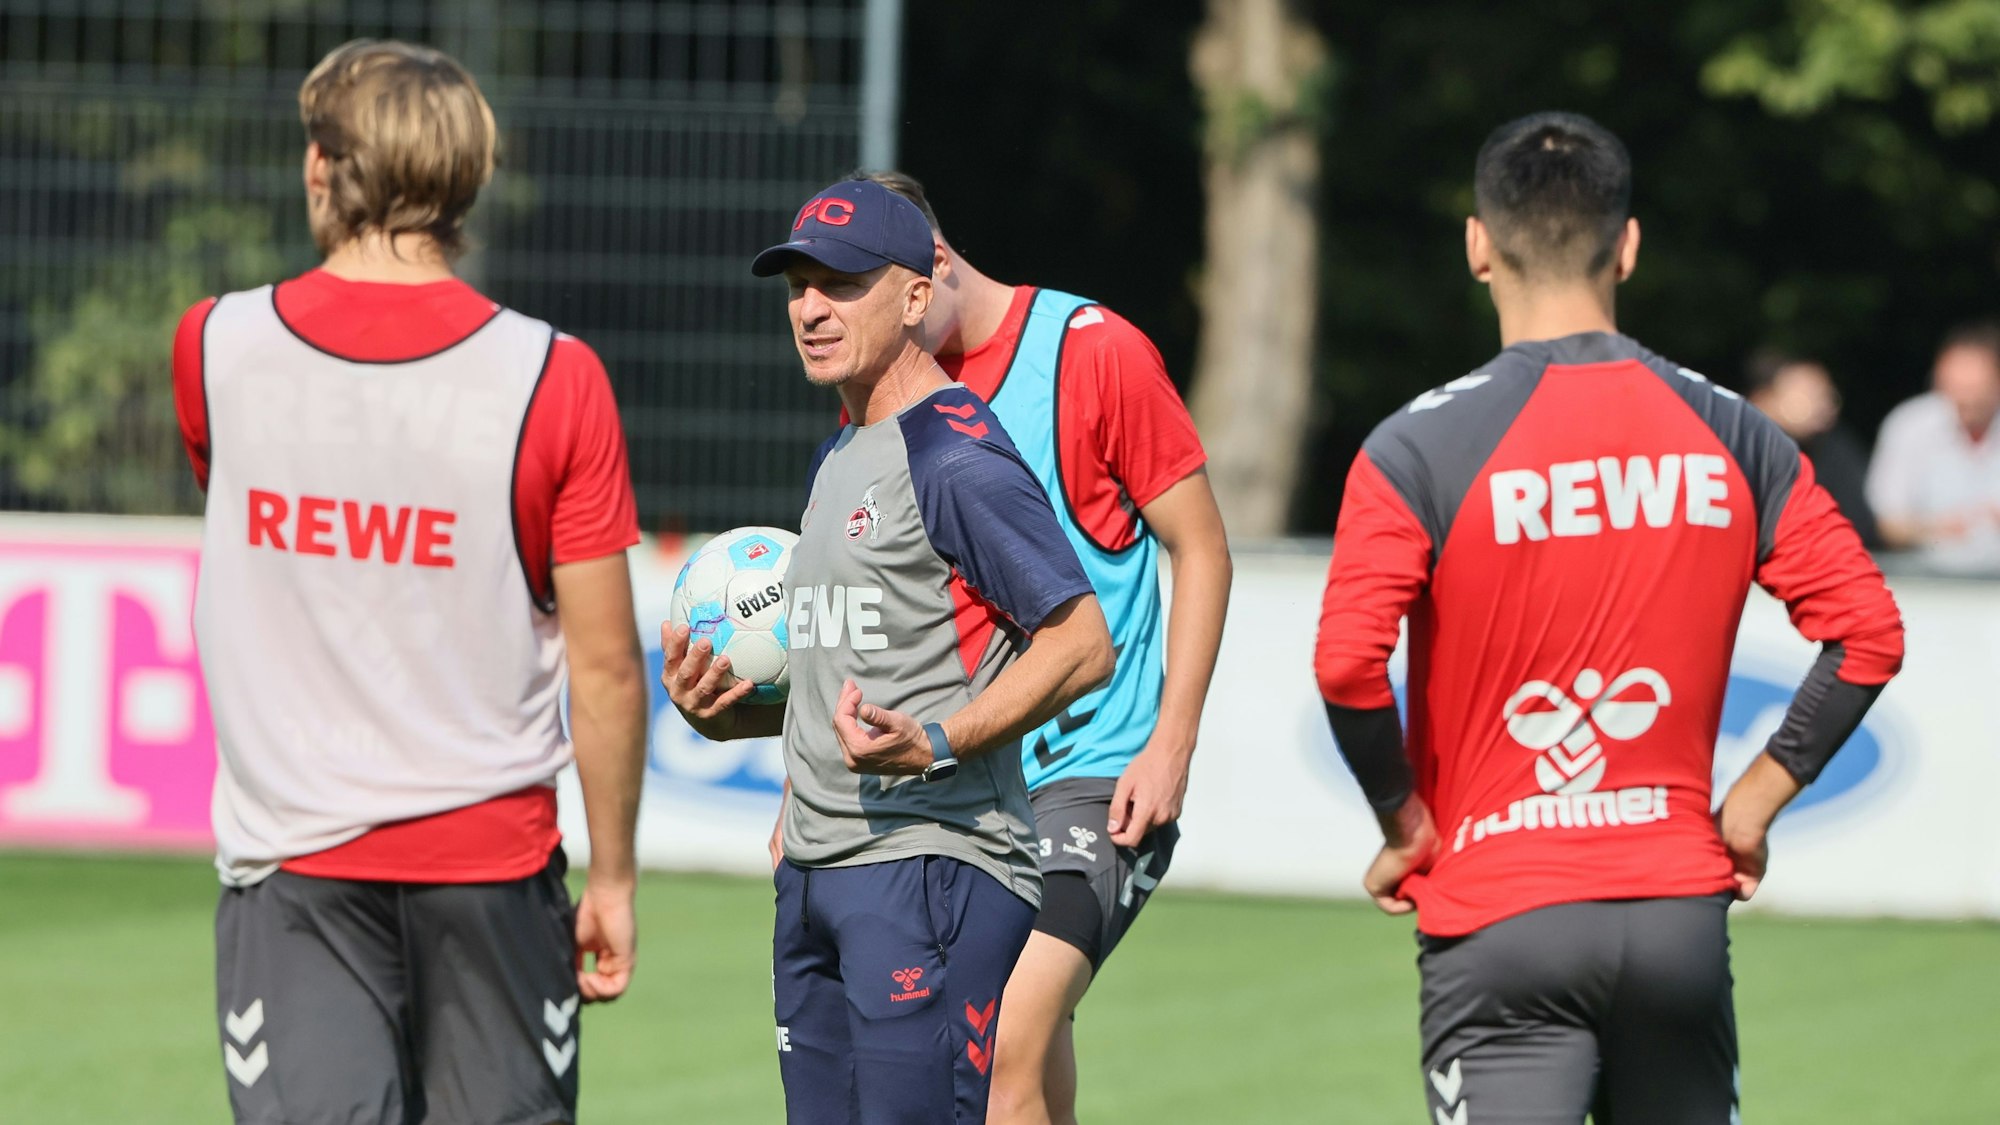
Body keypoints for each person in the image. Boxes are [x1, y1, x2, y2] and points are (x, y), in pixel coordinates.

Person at [1314, 112, 1904, 1123]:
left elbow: (1345, 668)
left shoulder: (1413, 447)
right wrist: (1751, 804)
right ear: (1626, 246)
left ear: (1475, 244)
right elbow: (1866, 632)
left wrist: (1403, 822)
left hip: (1498, 911)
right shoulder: (1730, 429)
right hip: (1673, 905)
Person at [171, 40, 648, 1125]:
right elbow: (608, 668)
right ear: (467, 182)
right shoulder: (553, 373)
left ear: (320, 171)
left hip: (293, 873)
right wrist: (613, 877)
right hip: (495, 872)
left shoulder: (213, 348)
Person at [662, 177, 1116, 1124]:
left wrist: (942, 741)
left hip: (930, 868)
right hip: (819, 875)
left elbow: (1080, 643)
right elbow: (852, 675)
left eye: (843, 282)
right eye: (798, 285)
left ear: (917, 297)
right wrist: (726, 718)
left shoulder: (952, 453)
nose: (811, 308)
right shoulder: (841, 452)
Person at [854, 170, 1233, 1125]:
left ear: (931, 266)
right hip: (977, 783)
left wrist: (1173, 740)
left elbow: (1203, 545)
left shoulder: (1092, 352)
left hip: (1099, 776)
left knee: (1007, 1033)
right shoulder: (890, 394)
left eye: (883, 302)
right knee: (1019, 1058)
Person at [1866, 322, 2000, 572]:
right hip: (1926, 583)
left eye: (1975, 390)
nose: (1966, 400)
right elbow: (1886, 524)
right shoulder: (1909, 426)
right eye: (1956, 389)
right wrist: (1935, 529)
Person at [1742, 349, 1881, 549]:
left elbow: (1860, 524)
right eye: (1809, 395)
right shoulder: (1740, 451)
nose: (1824, 405)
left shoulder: (1836, 447)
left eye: (1827, 395)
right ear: (1763, 398)